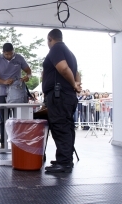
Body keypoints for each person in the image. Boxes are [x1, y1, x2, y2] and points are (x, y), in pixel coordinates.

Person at [42, 29, 81, 173]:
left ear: (50, 38)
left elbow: (64, 69)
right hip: (67, 95)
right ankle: (65, 159)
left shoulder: (56, 48)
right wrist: (76, 84)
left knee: (60, 127)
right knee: (67, 127)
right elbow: (77, 73)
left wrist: (72, 84)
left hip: (60, 95)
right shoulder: (70, 53)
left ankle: (64, 162)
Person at [0, 43, 31, 149]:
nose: (9, 56)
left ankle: (18, 142)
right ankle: (3, 142)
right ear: (3, 52)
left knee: (18, 118)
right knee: (4, 119)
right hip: (3, 92)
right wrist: (4, 81)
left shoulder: (19, 58)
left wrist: (27, 77)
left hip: (17, 92)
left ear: (14, 51)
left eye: (11, 54)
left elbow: (28, 71)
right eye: (7, 54)